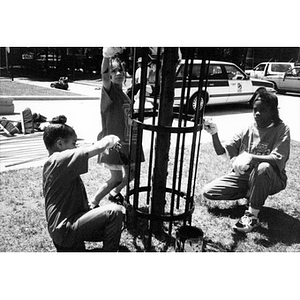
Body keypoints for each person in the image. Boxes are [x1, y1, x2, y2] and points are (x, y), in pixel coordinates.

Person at [202, 89, 290, 233]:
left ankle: (252, 216)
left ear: (273, 111)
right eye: (255, 109)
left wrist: (250, 156)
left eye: (263, 110)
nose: (257, 113)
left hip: (272, 177)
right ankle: (253, 193)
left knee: (263, 167)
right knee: (209, 192)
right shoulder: (248, 128)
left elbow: (276, 159)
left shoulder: (282, 129)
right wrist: (214, 133)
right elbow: (222, 151)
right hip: (246, 177)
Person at [42, 116, 124, 251]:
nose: (76, 147)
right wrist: (110, 139)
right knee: (115, 212)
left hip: (65, 229)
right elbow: (97, 147)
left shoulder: (54, 163)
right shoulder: (58, 159)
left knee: (116, 221)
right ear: (60, 144)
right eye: (74, 143)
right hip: (66, 229)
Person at [89, 47, 142, 209]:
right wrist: (106, 56)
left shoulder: (124, 93)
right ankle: (93, 202)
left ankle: (114, 193)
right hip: (115, 144)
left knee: (132, 174)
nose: (118, 73)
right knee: (116, 177)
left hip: (128, 142)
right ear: (110, 75)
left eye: (121, 70)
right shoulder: (109, 91)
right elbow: (103, 76)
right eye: (114, 71)